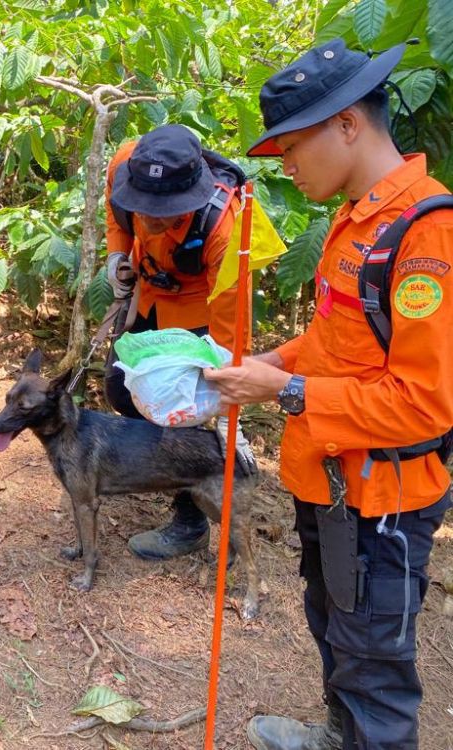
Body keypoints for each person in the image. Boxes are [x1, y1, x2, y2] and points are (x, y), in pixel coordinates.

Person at [205, 38, 453, 750]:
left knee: (374, 657)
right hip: (330, 480)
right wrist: (259, 367)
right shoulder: (354, 221)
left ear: (348, 124)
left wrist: (284, 391)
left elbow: (424, 403)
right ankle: (340, 735)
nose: (284, 165)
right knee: (333, 622)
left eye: (290, 147)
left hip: (384, 496)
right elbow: (332, 343)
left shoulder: (426, 232)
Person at [102, 123, 257, 561]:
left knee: (178, 414)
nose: (149, 217)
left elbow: (231, 323)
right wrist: (118, 255)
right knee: (121, 389)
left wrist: (227, 402)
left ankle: (193, 519)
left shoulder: (223, 227)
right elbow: (117, 217)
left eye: (163, 211)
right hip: (148, 295)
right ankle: (176, 471)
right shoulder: (123, 164)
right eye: (143, 205)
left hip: (199, 316)